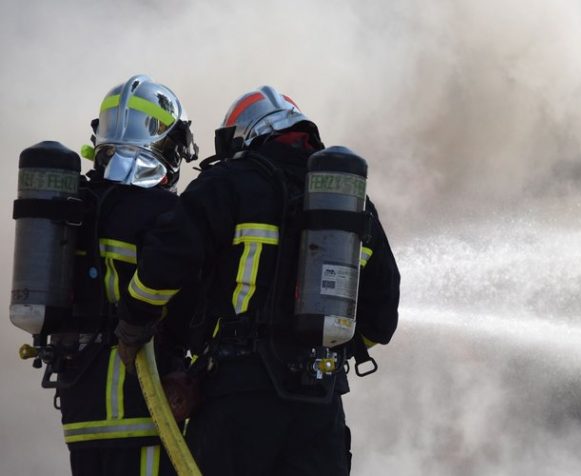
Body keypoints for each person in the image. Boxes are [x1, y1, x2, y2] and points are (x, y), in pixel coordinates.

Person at [116, 86, 400, 475]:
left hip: (239, 395)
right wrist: (332, 347)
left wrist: (134, 318)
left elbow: (169, 258)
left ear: (244, 135)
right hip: (320, 401)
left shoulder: (230, 182)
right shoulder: (351, 202)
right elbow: (381, 317)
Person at [57, 74, 198, 476]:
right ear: (165, 142)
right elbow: (188, 304)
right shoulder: (162, 215)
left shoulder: (76, 206)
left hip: (81, 410)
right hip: (142, 407)